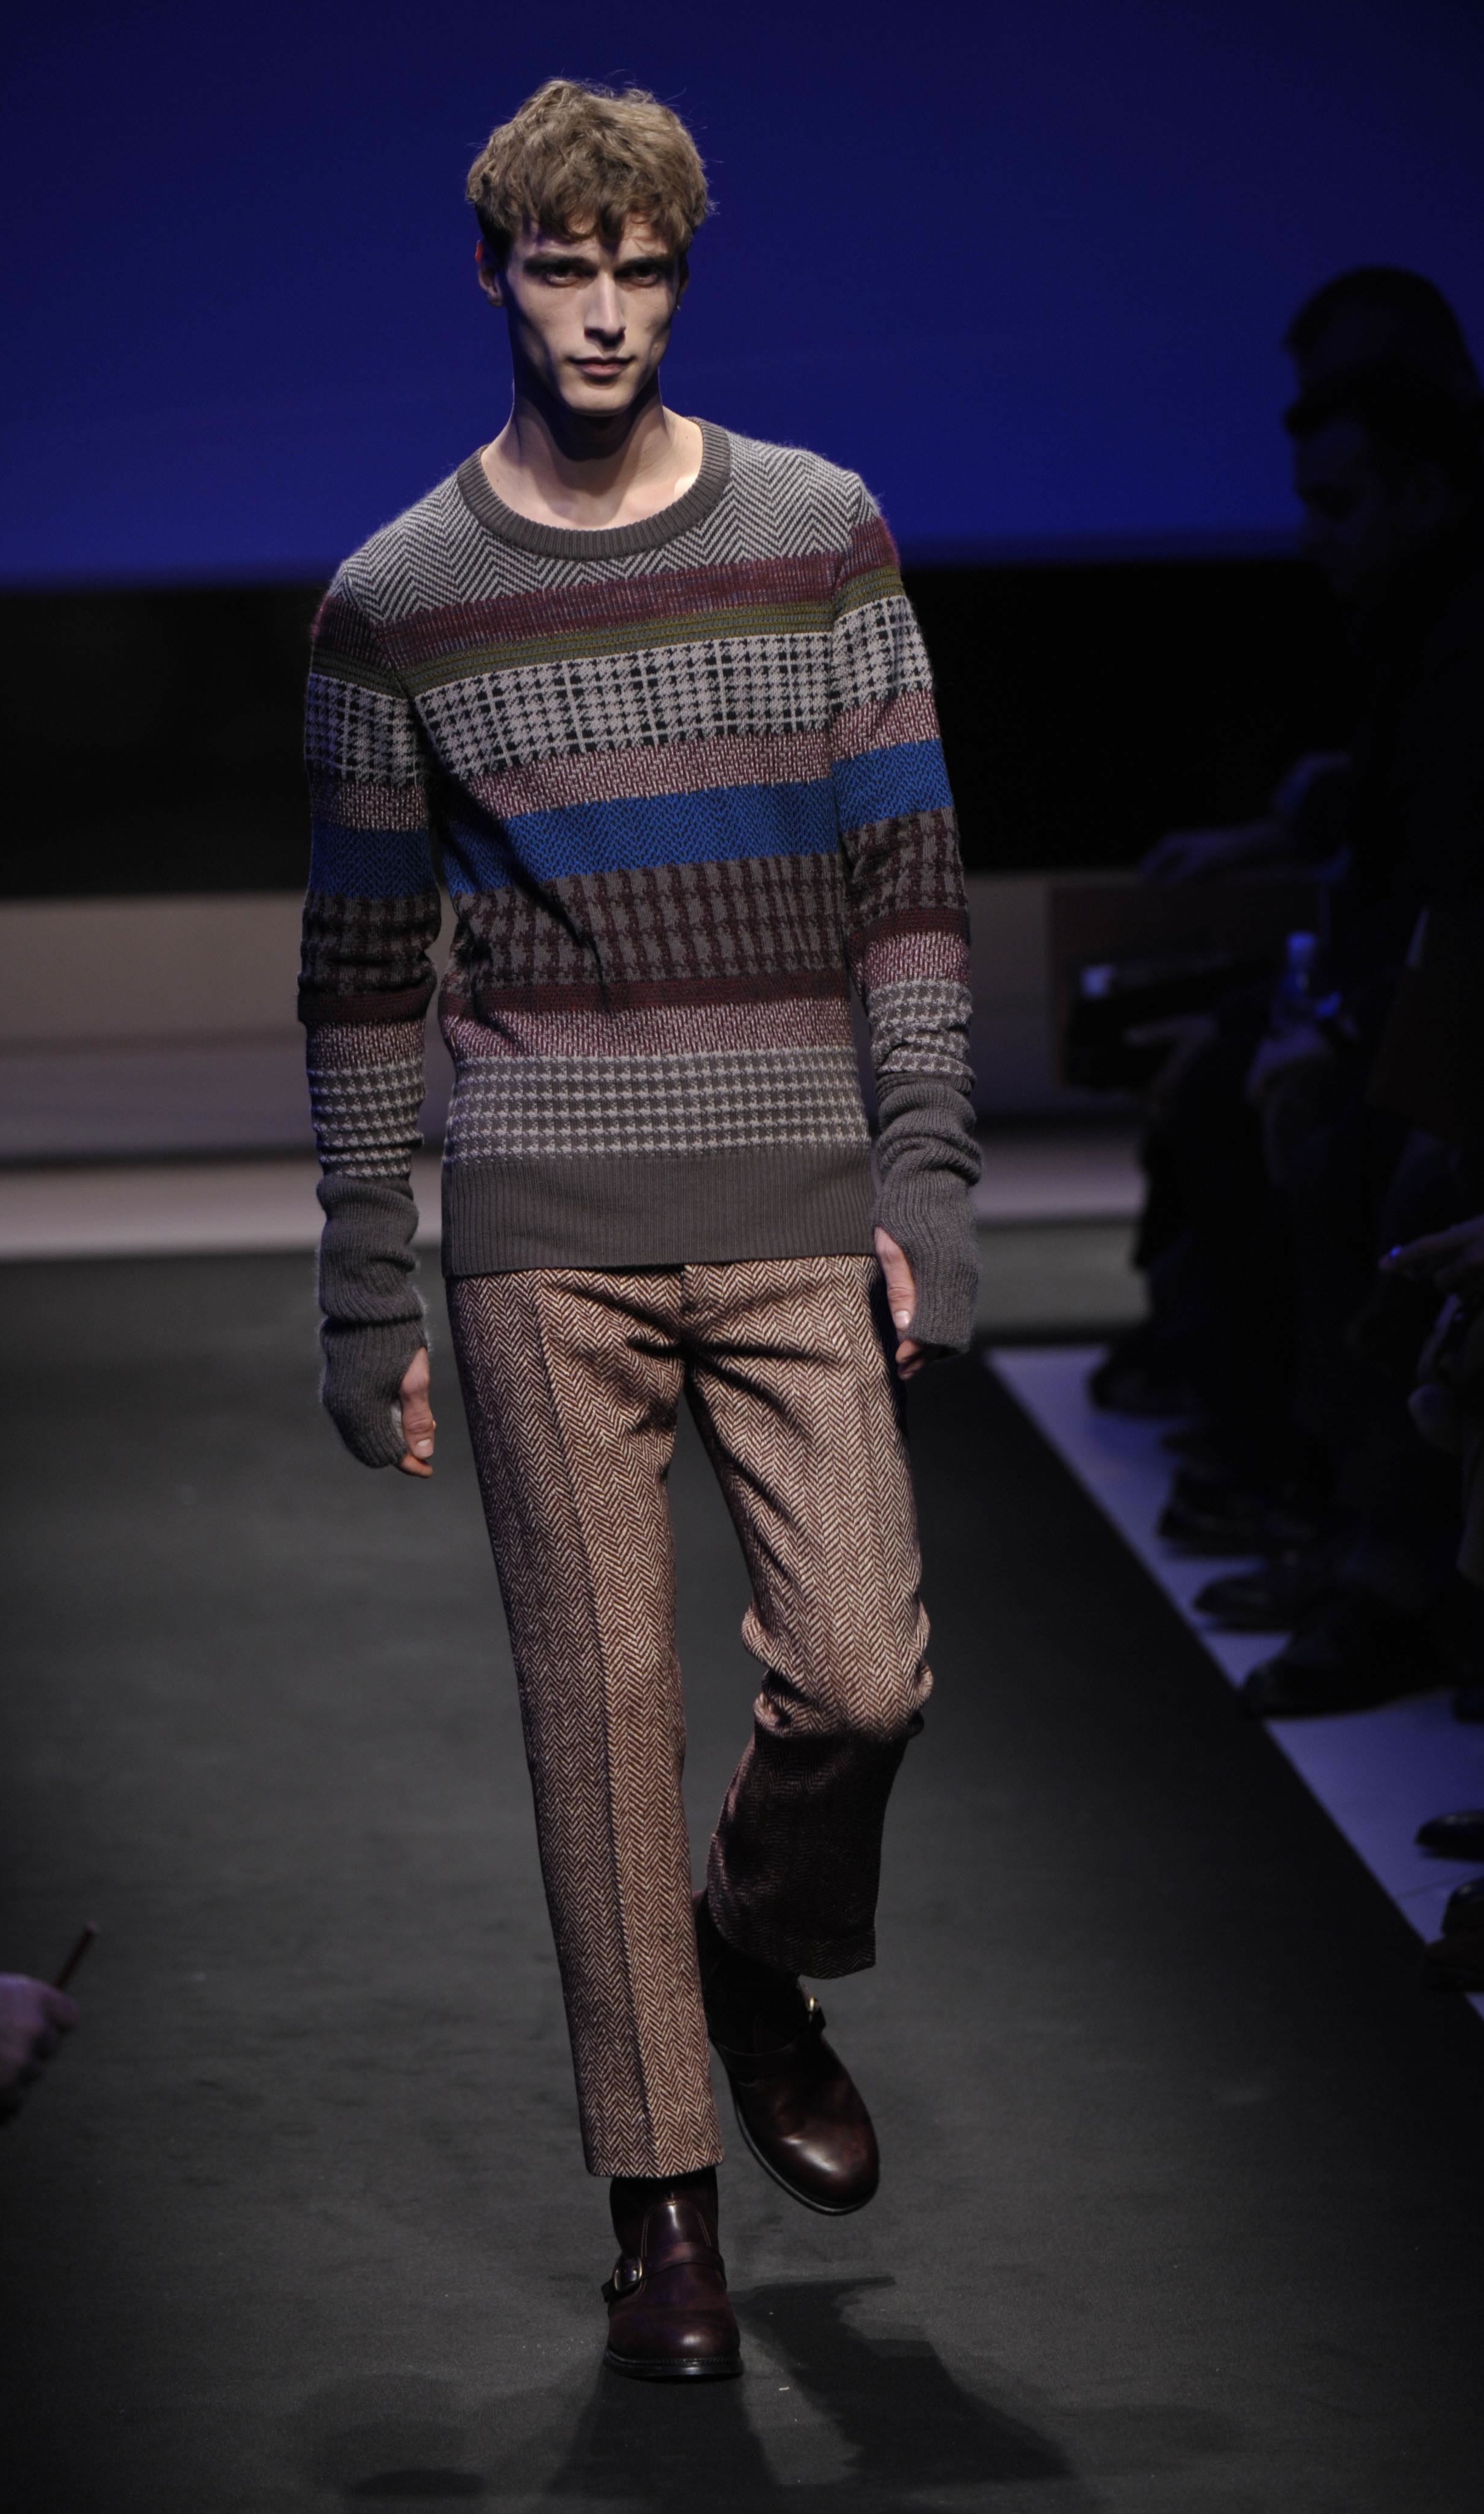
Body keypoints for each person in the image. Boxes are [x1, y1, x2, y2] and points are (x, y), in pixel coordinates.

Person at [299, 79, 976, 2378]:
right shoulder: (395, 601)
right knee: (598, 1722)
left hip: (794, 1193)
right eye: (564, 268)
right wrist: (365, 1277)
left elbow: (908, 884)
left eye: (643, 270)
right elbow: (363, 967)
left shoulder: (820, 533)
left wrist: (928, 1174)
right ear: (494, 274)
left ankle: (751, 1952)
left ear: (685, 279)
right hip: (541, 1228)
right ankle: (661, 2214)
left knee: (863, 1673)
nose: (604, 314)